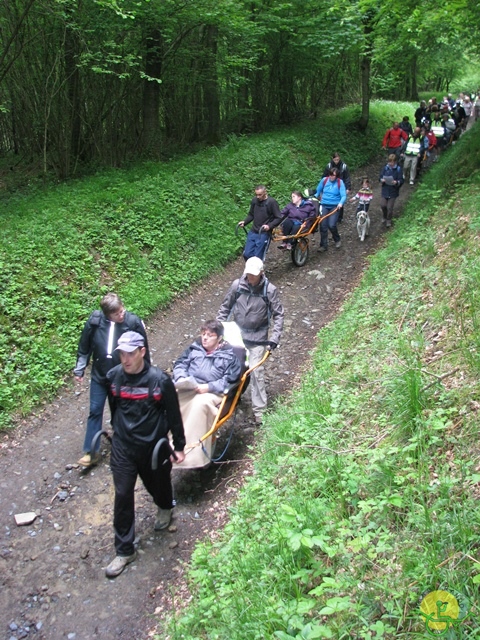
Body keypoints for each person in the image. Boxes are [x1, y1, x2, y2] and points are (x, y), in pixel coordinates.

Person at [104, 331, 185, 578]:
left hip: (153, 448)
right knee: (123, 493)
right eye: (121, 354)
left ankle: (165, 507)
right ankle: (125, 550)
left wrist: (179, 446)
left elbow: (173, 414)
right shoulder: (113, 377)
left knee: (159, 485)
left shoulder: (160, 381)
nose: (125, 359)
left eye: (130, 353)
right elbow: (114, 406)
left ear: (142, 352)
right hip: (123, 448)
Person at [74, 292, 150, 467]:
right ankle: (91, 452)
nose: (121, 315)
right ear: (107, 314)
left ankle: (125, 444)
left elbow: (143, 348)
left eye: (122, 310)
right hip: (100, 375)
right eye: (117, 314)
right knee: (95, 410)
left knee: (121, 410)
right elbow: (84, 345)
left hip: (122, 376)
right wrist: (80, 369)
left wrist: (145, 373)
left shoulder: (132, 322)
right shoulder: (95, 322)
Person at [217, 257, 284, 425]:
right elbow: (225, 308)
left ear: (262, 273)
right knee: (231, 369)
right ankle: (228, 401)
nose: (250, 277)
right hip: (237, 336)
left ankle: (260, 413)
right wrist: (217, 330)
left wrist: (274, 337)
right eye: (248, 274)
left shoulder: (269, 290)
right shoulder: (237, 286)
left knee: (256, 372)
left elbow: (278, 314)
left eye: (254, 275)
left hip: (258, 339)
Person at [172, 320, 241, 468]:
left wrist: (208, 386)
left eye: (210, 335)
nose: (204, 338)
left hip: (212, 392)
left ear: (219, 338)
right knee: (171, 401)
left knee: (199, 405)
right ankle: (169, 446)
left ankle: (194, 453)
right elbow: (180, 364)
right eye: (203, 334)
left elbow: (231, 380)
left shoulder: (229, 356)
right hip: (190, 387)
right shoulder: (194, 348)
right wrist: (181, 378)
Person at [238, 184, 283, 260]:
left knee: (258, 256)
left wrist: (269, 226)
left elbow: (278, 218)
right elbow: (251, 214)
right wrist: (245, 222)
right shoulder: (254, 200)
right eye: (256, 195)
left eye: (260, 195)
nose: (258, 197)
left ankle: (259, 271)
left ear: (265, 192)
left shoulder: (271, 202)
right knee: (247, 254)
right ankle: (251, 270)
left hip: (264, 233)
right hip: (253, 231)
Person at [314, 167, 346, 251]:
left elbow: (343, 195)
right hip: (324, 205)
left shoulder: (340, 182)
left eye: (333, 175)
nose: (331, 177)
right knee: (323, 225)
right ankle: (323, 245)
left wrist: (340, 203)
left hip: (334, 206)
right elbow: (317, 191)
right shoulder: (324, 180)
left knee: (331, 225)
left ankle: (337, 239)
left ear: (336, 176)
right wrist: (313, 199)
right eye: (330, 175)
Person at [322, 152, 351, 222]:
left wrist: (348, 187)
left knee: (341, 201)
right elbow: (324, 176)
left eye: (337, 159)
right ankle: (330, 215)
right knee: (332, 200)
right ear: (332, 159)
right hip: (330, 186)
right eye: (335, 160)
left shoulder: (344, 166)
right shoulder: (329, 166)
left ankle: (340, 217)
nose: (336, 161)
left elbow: (347, 177)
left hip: (341, 186)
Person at [379, 154, 404, 227]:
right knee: (383, 205)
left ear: (395, 162)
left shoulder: (398, 169)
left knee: (389, 207)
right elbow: (380, 177)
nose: (391, 164)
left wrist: (396, 182)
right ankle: (384, 215)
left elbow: (401, 180)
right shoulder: (385, 168)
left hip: (393, 191)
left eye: (392, 162)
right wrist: (382, 180)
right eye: (390, 162)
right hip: (385, 189)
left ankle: (388, 219)